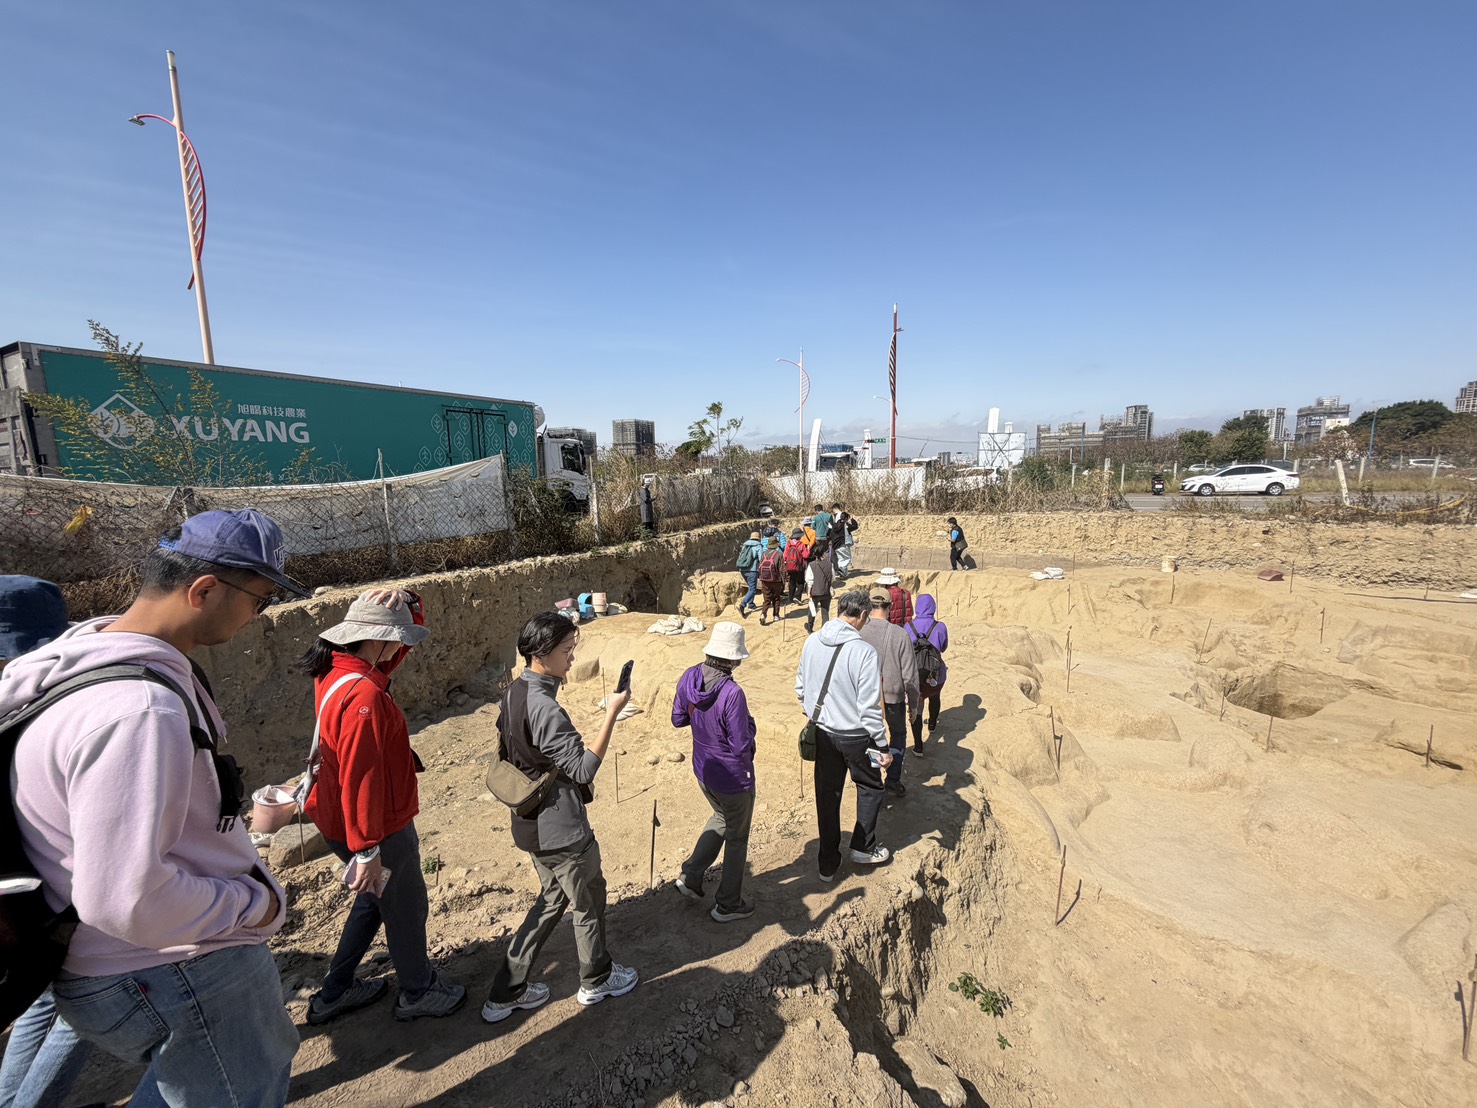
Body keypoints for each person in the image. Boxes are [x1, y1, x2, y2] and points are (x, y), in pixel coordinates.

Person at [3, 509, 303, 1107]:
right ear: (204, 590)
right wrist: (256, 904)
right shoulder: (138, 710)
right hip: (172, 966)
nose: (257, 616)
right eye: (259, 600)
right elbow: (127, 899)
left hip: (121, 961)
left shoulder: (81, 667)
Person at [297, 589, 466, 1024]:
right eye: (398, 638)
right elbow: (362, 779)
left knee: (375, 899)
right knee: (405, 907)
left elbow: (393, 652)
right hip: (377, 828)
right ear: (378, 639)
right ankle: (417, 992)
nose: (401, 647)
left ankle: (335, 990)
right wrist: (368, 848)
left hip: (337, 818)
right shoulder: (364, 699)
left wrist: (410, 602)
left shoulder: (339, 669)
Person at [482, 613, 638, 1023]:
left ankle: (506, 990)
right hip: (561, 829)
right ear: (541, 653)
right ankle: (597, 978)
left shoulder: (515, 691)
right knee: (588, 898)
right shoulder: (545, 707)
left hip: (531, 823)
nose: (572, 658)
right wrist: (612, 713)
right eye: (567, 650)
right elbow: (583, 770)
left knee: (552, 899)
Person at [0, 577, 93, 1108]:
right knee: (82, 1007)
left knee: (41, 1000)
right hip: (47, 893)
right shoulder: (33, 708)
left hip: (36, 896)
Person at [795, 590, 891, 879]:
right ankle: (863, 847)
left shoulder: (812, 641)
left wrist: (817, 714)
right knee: (871, 786)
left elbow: (801, 688)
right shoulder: (864, 652)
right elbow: (869, 707)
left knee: (827, 794)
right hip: (858, 737)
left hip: (824, 733)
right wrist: (882, 744)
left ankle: (827, 863)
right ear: (862, 615)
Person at [671, 623, 756, 923]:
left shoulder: (690, 676)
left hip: (703, 769)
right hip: (733, 777)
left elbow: (678, 718)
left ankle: (691, 875)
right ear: (734, 659)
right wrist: (751, 725)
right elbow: (740, 744)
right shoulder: (733, 693)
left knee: (721, 816)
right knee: (737, 837)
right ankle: (728, 904)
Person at [860, 594, 920, 797]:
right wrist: (914, 705)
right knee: (898, 735)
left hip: (865, 695)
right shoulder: (900, 634)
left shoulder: (858, 631)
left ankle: (874, 778)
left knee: (871, 737)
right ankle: (893, 779)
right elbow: (910, 676)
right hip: (893, 695)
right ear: (890, 607)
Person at [906, 595, 950, 753]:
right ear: (933, 607)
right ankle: (932, 724)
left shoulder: (908, 626)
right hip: (935, 674)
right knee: (935, 697)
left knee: (916, 708)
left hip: (915, 675)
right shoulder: (940, 626)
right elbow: (943, 647)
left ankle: (918, 746)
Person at [804, 545, 834, 634]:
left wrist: (808, 592)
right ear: (823, 553)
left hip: (815, 592)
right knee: (825, 612)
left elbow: (810, 580)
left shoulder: (811, 565)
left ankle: (810, 627)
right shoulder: (830, 564)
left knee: (812, 610)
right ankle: (825, 630)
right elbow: (832, 578)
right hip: (826, 591)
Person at [756, 537, 786, 626]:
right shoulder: (779, 554)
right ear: (776, 545)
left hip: (765, 580)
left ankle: (763, 614)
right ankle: (776, 615)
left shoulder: (764, 554)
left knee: (767, 599)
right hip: (776, 580)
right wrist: (784, 580)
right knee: (776, 598)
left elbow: (760, 566)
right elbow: (782, 569)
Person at [735, 531, 764, 619]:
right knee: (753, 589)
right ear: (758, 538)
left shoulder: (745, 545)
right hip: (752, 570)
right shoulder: (758, 546)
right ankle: (742, 605)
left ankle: (751, 604)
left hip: (743, 570)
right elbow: (761, 558)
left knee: (751, 587)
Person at [784, 529, 810, 604]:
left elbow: (785, 555)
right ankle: (797, 597)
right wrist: (808, 549)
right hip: (799, 566)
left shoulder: (788, 544)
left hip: (790, 566)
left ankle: (790, 599)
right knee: (800, 582)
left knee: (792, 582)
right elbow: (805, 555)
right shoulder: (801, 544)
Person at [832, 509, 856, 577]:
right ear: (846, 518)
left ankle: (843, 574)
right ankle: (841, 570)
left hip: (836, 545)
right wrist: (852, 519)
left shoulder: (835, 525)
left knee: (841, 559)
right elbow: (855, 526)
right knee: (847, 558)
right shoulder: (846, 525)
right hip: (843, 543)